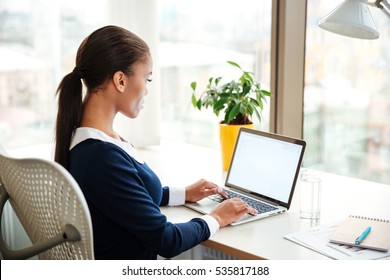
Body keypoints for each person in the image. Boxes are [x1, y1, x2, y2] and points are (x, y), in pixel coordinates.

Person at [54, 25, 256, 260]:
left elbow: (130, 198)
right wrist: (217, 218)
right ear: (120, 80)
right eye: (147, 78)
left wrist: (183, 193)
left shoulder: (92, 140)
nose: (147, 91)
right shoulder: (101, 158)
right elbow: (166, 239)